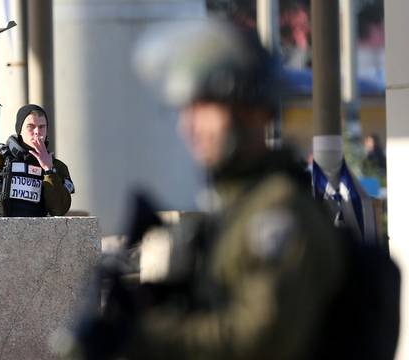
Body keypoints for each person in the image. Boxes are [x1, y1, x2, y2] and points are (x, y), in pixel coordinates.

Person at [68, 20, 398, 360]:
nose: (190, 126)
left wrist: (140, 335)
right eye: (187, 109)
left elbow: (259, 340)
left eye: (205, 107)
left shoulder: (279, 213)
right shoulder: (238, 205)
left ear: (251, 111)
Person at [0, 104, 74, 217]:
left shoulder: (57, 167)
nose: (37, 132)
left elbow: (59, 210)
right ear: (19, 130)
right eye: (31, 126)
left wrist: (48, 171)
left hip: (36, 234)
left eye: (42, 127)